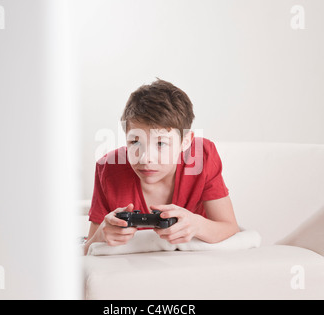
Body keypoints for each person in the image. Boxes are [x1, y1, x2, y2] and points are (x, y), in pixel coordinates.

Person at [84, 79, 239, 255]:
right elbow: (87, 249)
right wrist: (102, 234)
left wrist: (197, 225)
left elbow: (229, 227)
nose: (145, 158)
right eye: (135, 142)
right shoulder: (108, 167)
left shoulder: (202, 156)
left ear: (185, 142)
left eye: (161, 144)